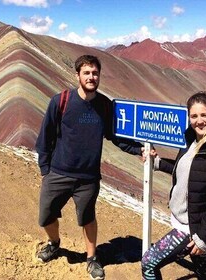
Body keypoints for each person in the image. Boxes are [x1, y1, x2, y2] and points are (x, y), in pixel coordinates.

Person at [35, 54, 145, 280]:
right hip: (58, 172)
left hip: (88, 178)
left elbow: (116, 137)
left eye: (95, 73)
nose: (91, 77)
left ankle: (92, 258)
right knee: (45, 216)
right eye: (86, 72)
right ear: (77, 75)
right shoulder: (61, 101)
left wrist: (139, 149)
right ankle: (54, 243)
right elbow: (45, 138)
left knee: (87, 218)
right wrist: (45, 171)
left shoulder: (105, 105)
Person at [141, 91, 206, 280]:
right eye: (194, 116)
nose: (199, 121)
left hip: (192, 229)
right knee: (204, 274)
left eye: (204, 115)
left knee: (148, 264)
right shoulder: (191, 140)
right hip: (190, 223)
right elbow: (187, 171)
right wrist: (158, 163)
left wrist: (202, 239)